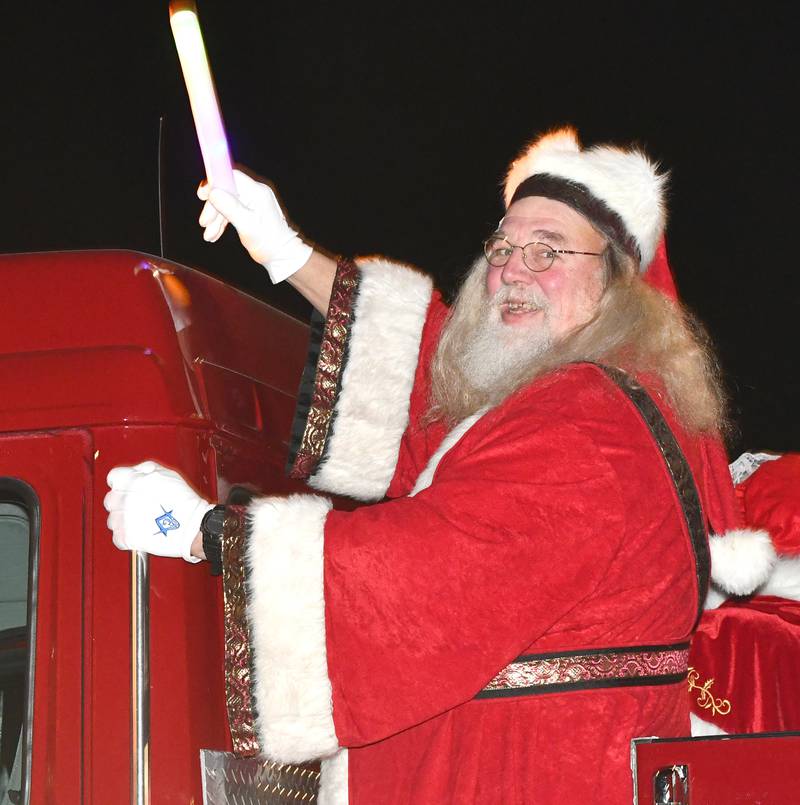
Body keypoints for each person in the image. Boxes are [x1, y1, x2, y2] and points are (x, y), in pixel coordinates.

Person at [104, 128, 775, 804]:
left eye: (548, 250)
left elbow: (424, 581)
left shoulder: (587, 425)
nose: (513, 269)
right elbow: (441, 392)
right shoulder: (591, 398)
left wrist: (206, 530)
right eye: (504, 248)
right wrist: (285, 251)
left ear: (617, 288)